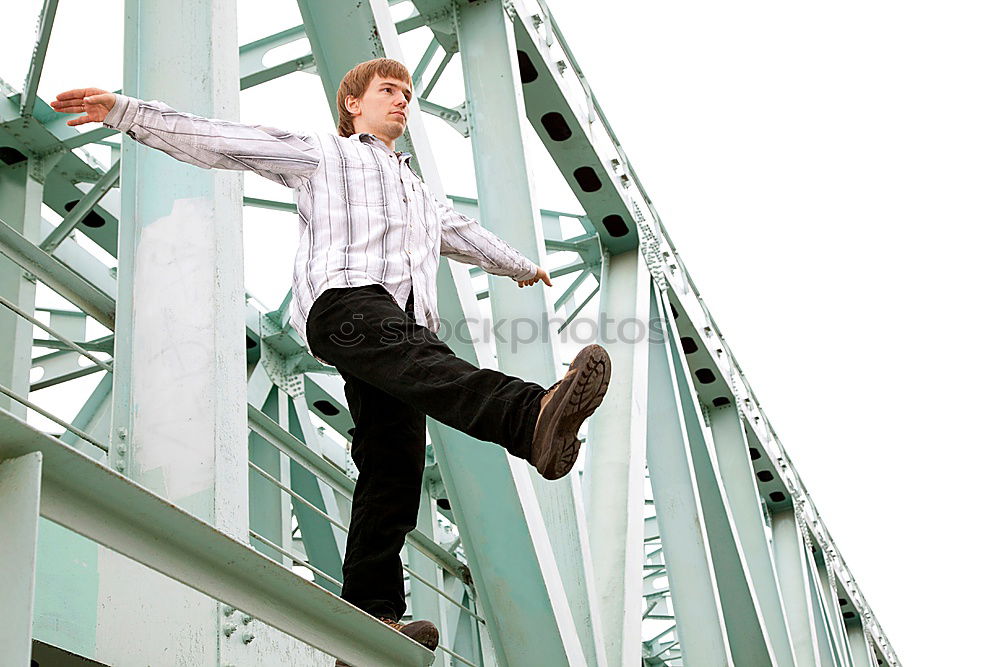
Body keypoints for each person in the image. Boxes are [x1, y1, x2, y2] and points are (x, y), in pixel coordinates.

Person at [53, 58, 611, 658]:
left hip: (397, 329)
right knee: (425, 361)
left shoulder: (418, 195)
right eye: (389, 91)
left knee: (392, 471)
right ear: (353, 104)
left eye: (408, 94)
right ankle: (530, 417)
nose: (402, 102)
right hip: (345, 304)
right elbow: (229, 142)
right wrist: (127, 112)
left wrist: (523, 266)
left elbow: (464, 233)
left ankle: (371, 614)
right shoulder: (324, 153)